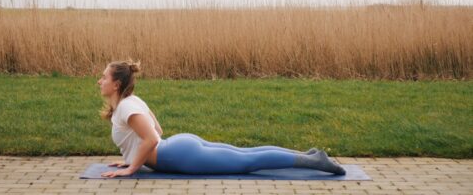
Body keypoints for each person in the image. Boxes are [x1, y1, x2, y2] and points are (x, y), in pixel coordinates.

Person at [97, 60, 346, 178]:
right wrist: (131, 156)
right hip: (179, 147)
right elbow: (156, 128)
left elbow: (151, 138)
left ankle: (315, 162)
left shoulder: (126, 107)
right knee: (247, 154)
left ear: (116, 84)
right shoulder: (132, 102)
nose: (100, 81)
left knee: (248, 162)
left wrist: (132, 167)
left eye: (104, 77)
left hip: (178, 155)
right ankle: (310, 155)